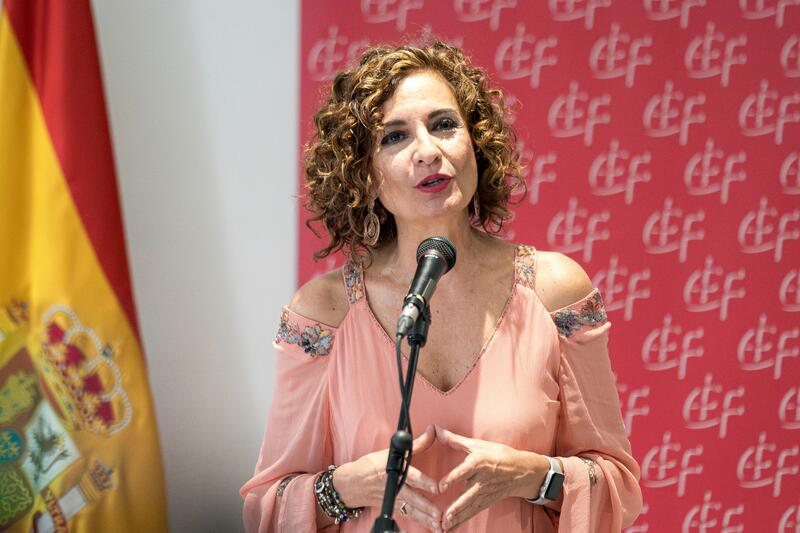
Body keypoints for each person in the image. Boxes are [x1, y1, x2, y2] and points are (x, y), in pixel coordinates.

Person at [240, 41, 642, 532]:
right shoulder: (324, 311)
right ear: (363, 174)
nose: (429, 151)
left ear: (476, 143)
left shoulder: (554, 290)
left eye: (444, 125)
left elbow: (618, 486)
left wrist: (535, 476)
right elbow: (267, 508)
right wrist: (347, 487)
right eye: (394, 137)